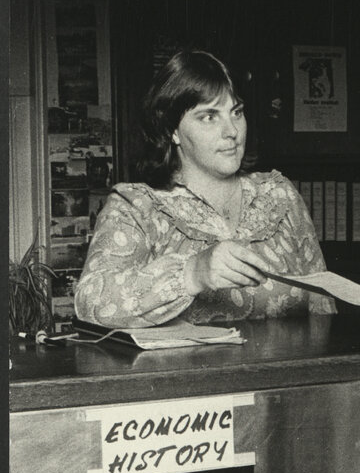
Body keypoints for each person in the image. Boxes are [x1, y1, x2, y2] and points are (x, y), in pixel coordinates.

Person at [74, 49, 335, 328]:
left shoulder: (279, 195)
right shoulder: (138, 207)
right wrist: (192, 273)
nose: (231, 131)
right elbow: (91, 301)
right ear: (172, 130)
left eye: (236, 112)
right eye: (209, 117)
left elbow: (323, 306)